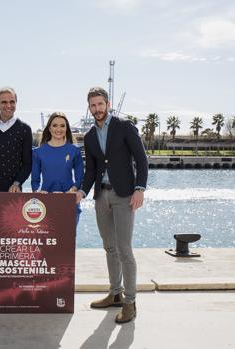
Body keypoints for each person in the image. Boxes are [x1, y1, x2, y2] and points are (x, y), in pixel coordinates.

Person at [76, 87, 148, 323]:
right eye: (92, 105)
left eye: (100, 104)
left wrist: (140, 189)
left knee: (124, 250)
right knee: (109, 247)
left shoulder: (124, 127)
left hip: (124, 195)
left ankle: (130, 302)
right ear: (89, 107)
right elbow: (91, 170)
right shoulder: (88, 136)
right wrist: (82, 191)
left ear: (107, 104)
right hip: (101, 197)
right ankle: (115, 294)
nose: (96, 109)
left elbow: (141, 159)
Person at [0, 87, 33, 304]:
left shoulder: (24, 129)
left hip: (12, 193)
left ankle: (11, 284)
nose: (8, 105)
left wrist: (17, 182)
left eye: (11, 101)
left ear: (16, 103)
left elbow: (27, 163)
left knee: (11, 240)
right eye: (4, 102)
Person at [31, 112, 84, 225]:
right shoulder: (38, 152)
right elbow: (35, 180)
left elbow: (80, 178)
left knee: (68, 241)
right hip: (45, 202)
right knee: (48, 241)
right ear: (49, 128)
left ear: (67, 128)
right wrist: (37, 192)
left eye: (62, 125)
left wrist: (73, 190)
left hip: (69, 200)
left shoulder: (74, 151)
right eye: (54, 125)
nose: (58, 129)